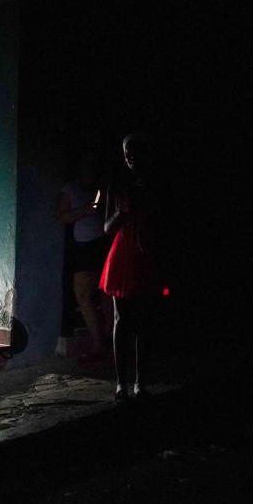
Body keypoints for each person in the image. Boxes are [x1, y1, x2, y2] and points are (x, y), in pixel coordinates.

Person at [99, 135, 166, 402]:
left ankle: (141, 382)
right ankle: (120, 383)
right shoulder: (117, 183)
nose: (131, 155)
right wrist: (121, 213)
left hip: (147, 252)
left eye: (136, 150)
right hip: (124, 253)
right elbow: (106, 227)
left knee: (145, 323)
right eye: (127, 151)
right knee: (121, 320)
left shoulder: (154, 181)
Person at [57, 151, 111, 362]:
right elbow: (61, 216)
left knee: (106, 295)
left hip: (103, 244)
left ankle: (108, 342)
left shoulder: (103, 187)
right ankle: (99, 342)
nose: (89, 170)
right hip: (83, 246)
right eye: (86, 166)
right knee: (83, 294)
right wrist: (84, 211)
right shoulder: (70, 188)